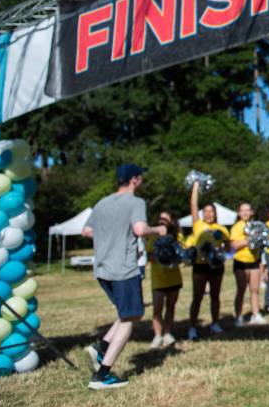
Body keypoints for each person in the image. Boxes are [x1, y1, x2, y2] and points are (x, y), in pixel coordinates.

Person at [81, 164, 166, 389]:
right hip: (123, 269)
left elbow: (87, 231)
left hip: (102, 269)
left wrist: (110, 237)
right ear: (135, 180)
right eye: (141, 178)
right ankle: (102, 375)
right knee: (129, 318)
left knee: (130, 311)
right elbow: (140, 229)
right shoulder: (135, 202)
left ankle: (101, 347)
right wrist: (158, 230)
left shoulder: (102, 203)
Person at [186, 183, 229, 340]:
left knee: (215, 296)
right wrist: (196, 187)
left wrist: (222, 252)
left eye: (211, 211)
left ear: (215, 214)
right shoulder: (198, 225)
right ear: (202, 214)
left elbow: (229, 247)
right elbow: (193, 204)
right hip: (200, 266)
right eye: (206, 211)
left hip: (216, 267)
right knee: (197, 297)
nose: (209, 214)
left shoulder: (222, 229)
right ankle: (192, 327)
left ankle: (215, 323)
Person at [146, 211, 182, 348]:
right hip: (158, 278)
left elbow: (181, 255)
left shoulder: (176, 236)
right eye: (160, 218)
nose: (161, 220)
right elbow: (148, 255)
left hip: (174, 278)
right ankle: (157, 335)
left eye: (165, 219)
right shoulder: (154, 235)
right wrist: (163, 257)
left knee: (171, 306)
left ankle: (167, 333)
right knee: (157, 307)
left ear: (171, 221)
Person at [230, 202, 265, 326]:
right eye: (242, 210)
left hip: (254, 261)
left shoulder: (256, 226)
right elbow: (233, 245)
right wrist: (248, 240)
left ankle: (255, 315)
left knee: (255, 290)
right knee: (241, 290)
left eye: (247, 210)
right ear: (239, 213)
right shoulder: (236, 227)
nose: (245, 213)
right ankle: (238, 317)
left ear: (251, 212)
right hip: (241, 262)